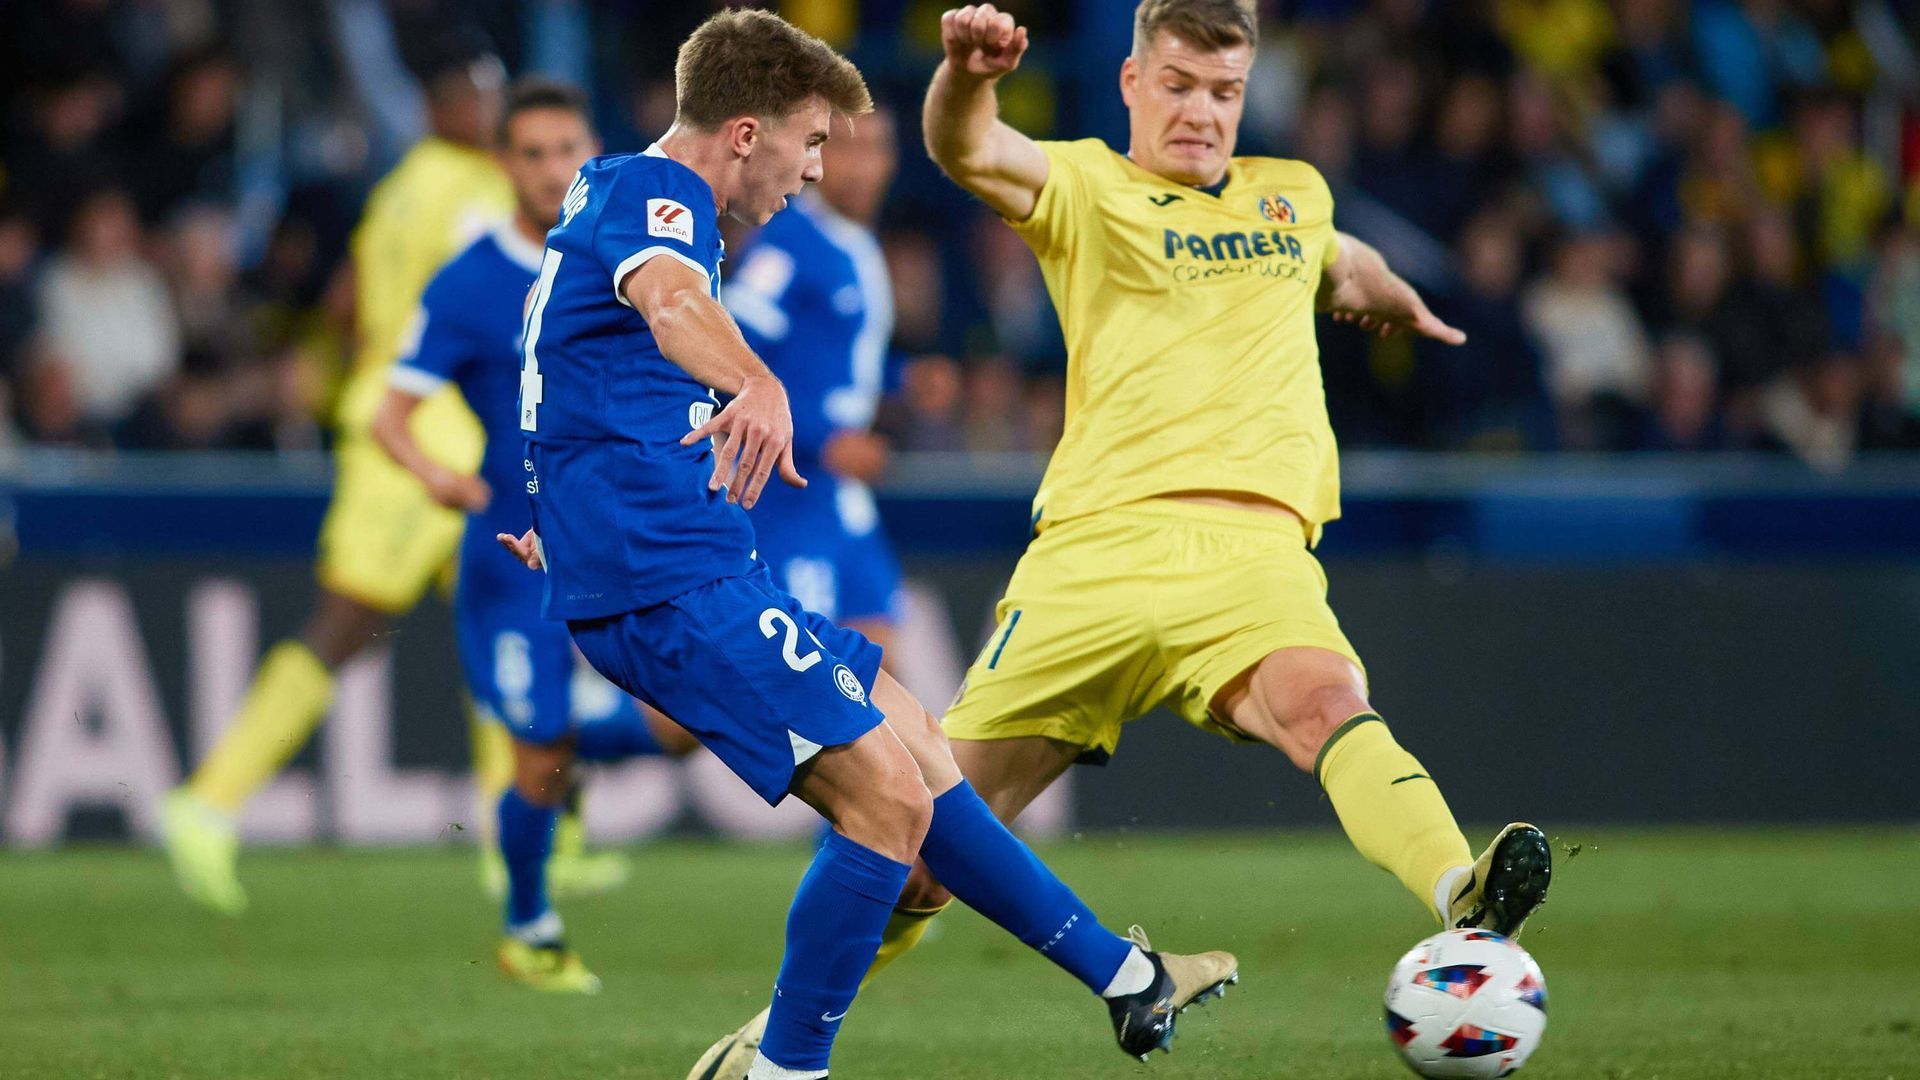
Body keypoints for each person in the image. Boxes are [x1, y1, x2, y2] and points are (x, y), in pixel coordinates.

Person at [696, 2, 1553, 1071]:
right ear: (1133, 84)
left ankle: (1458, 894)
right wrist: (967, 76)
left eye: (1225, 93)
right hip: (1094, 556)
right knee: (913, 827)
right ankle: (761, 1050)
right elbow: (965, 148)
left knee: (1327, 704)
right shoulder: (1088, 189)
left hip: (1253, 553)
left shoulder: (1294, 193)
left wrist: (1385, 290)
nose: (1203, 113)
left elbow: (1331, 256)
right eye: (1181, 85)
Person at [498, 11, 1236, 1078]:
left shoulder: (615, 188)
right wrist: (753, 379)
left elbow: (569, 352)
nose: (812, 171)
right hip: (665, 575)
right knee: (884, 807)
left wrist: (558, 503)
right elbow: (668, 304)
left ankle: (1129, 982)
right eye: (808, 142)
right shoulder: (661, 206)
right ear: (745, 134)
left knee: (918, 746)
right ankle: (786, 1071)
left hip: (678, 556)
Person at [159, 35, 613, 914]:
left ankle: (521, 839)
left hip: (415, 410)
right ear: (443, 109)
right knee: (356, 618)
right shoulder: (477, 193)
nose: (490, 114)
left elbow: (345, 302)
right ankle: (208, 801)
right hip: (430, 428)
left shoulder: (397, 193)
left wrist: (349, 371)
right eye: (477, 99)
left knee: (507, 620)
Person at [369, 78, 699, 995]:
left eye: (568, 150)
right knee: (536, 752)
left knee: (680, 728)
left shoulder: (626, 257)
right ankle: (530, 925)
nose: (555, 169)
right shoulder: (471, 278)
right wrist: (437, 474)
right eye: (534, 153)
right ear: (502, 164)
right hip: (509, 558)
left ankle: (569, 753)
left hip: (614, 539)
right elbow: (390, 414)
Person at [724, 104, 903, 657]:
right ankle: (603, 719)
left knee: (880, 667)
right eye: (849, 149)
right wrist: (826, 439)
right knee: (812, 687)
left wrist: (905, 379)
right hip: (787, 494)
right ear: (816, 157)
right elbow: (729, 357)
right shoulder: (788, 246)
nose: (864, 167)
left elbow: (833, 363)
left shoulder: (857, 242)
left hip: (837, 497)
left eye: (877, 149)